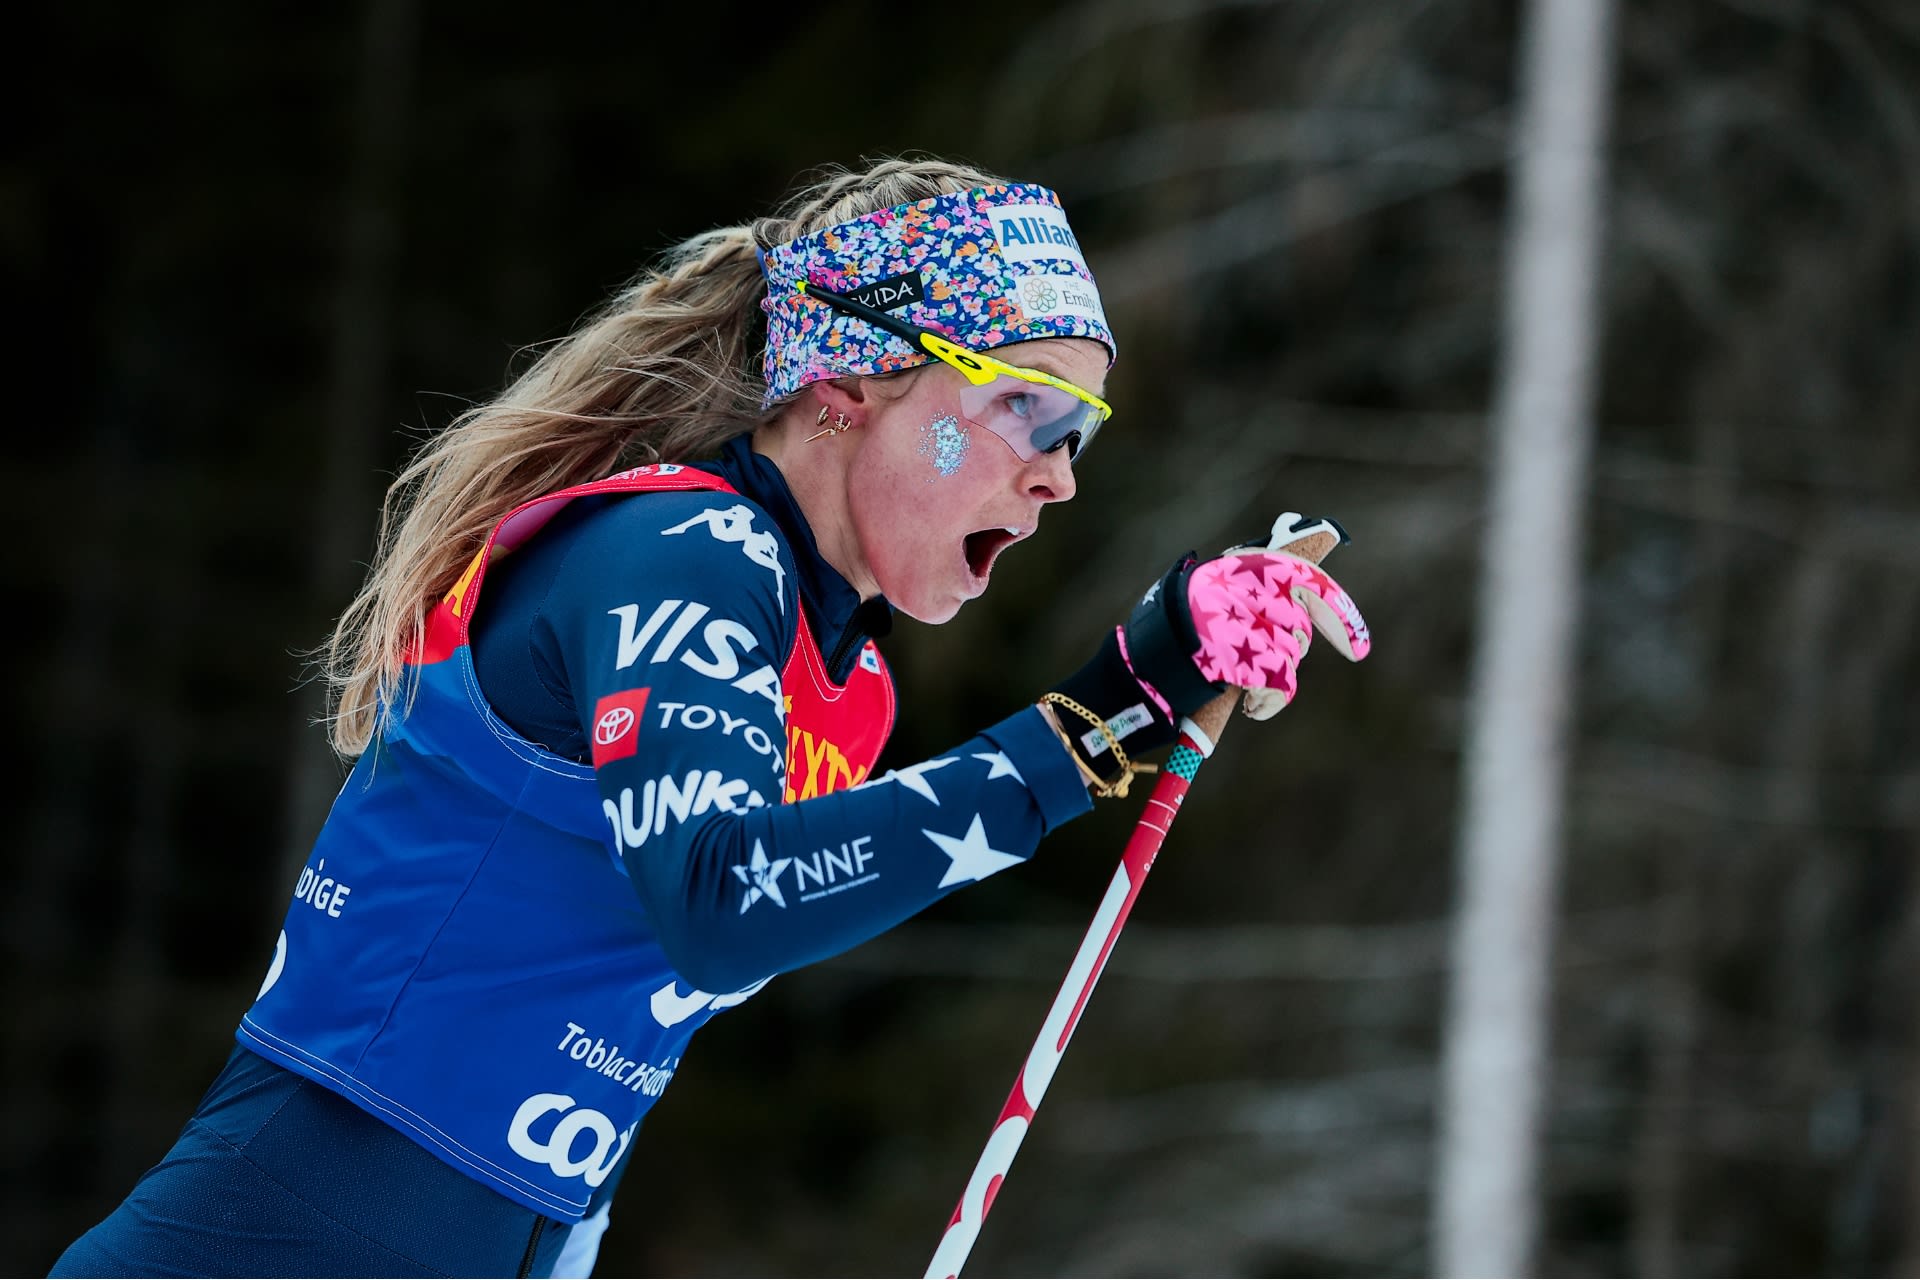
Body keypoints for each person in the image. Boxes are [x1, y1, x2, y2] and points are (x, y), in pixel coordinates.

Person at [52, 156, 1369, 1278]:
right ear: (848, 384)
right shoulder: (688, 550)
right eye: (1031, 408)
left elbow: (632, 997)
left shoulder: (836, 683)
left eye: (1084, 433)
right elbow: (719, 899)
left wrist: (1147, 693)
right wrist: (1090, 720)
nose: (1057, 478)